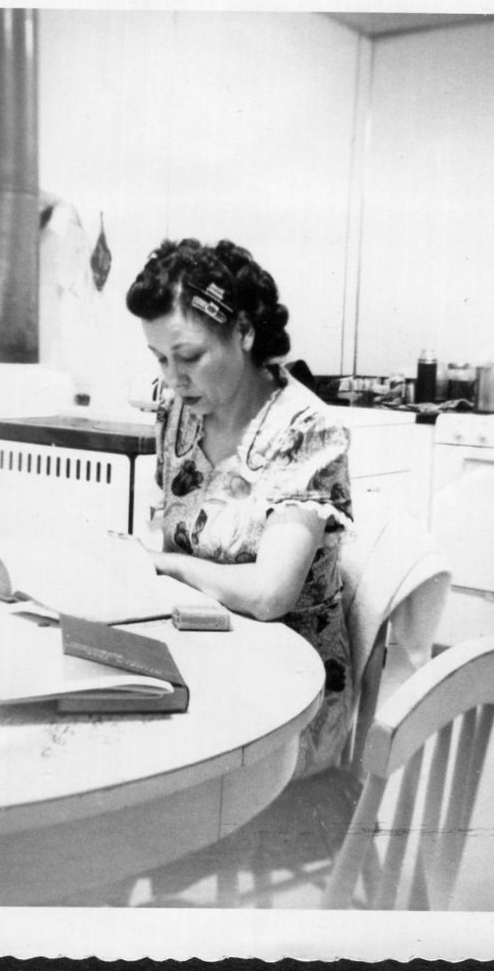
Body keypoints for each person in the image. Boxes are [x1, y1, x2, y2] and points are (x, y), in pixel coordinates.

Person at [126, 238, 354, 776]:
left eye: (188, 356)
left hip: (288, 701)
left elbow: (271, 596)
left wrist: (166, 564)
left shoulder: (305, 429)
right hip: (206, 660)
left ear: (244, 332)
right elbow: (177, 525)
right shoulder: (178, 407)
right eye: (160, 358)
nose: (173, 378)